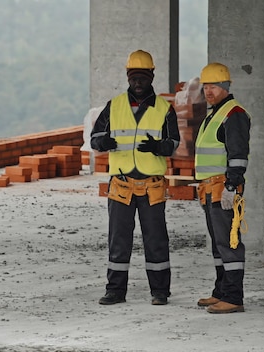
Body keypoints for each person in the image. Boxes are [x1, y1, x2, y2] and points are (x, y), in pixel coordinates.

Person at [90, 50, 180, 306]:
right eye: (133, 78)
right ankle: (115, 291)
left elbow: (174, 143)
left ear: (152, 76)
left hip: (151, 185)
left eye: (142, 78)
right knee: (118, 240)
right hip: (121, 184)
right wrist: (103, 142)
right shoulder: (114, 105)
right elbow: (94, 139)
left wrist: (158, 147)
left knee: (156, 239)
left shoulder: (164, 109)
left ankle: (160, 292)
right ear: (127, 77)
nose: (138, 83)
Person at [194, 62, 251, 314]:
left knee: (229, 243)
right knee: (218, 244)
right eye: (205, 87)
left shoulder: (233, 113)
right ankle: (221, 291)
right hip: (210, 190)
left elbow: (238, 155)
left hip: (222, 189)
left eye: (214, 86)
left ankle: (233, 297)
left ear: (226, 87)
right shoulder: (215, 114)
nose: (208, 91)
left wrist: (231, 185)